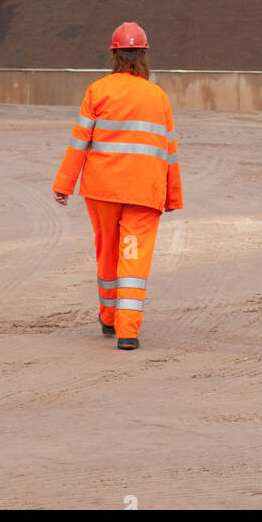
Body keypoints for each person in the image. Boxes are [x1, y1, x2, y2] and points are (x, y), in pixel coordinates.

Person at [52, 22, 183, 350]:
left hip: (103, 190)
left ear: (113, 54)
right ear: (144, 55)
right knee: (133, 257)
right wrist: (172, 196)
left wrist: (64, 184)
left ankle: (108, 319)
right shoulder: (159, 97)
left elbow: (78, 142)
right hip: (144, 191)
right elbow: (170, 151)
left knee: (108, 251)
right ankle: (128, 331)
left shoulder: (98, 90)